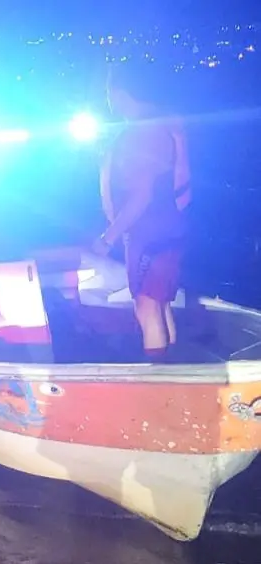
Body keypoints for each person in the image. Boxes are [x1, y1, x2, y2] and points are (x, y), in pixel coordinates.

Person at [93, 63, 188, 361]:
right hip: (170, 228)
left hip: (149, 232)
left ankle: (159, 377)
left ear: (119, 92)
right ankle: (173, 370)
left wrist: (108, 237)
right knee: (160, 304)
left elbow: (141, 194)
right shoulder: (164, 125)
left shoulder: (141, 132)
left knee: (146, 305)